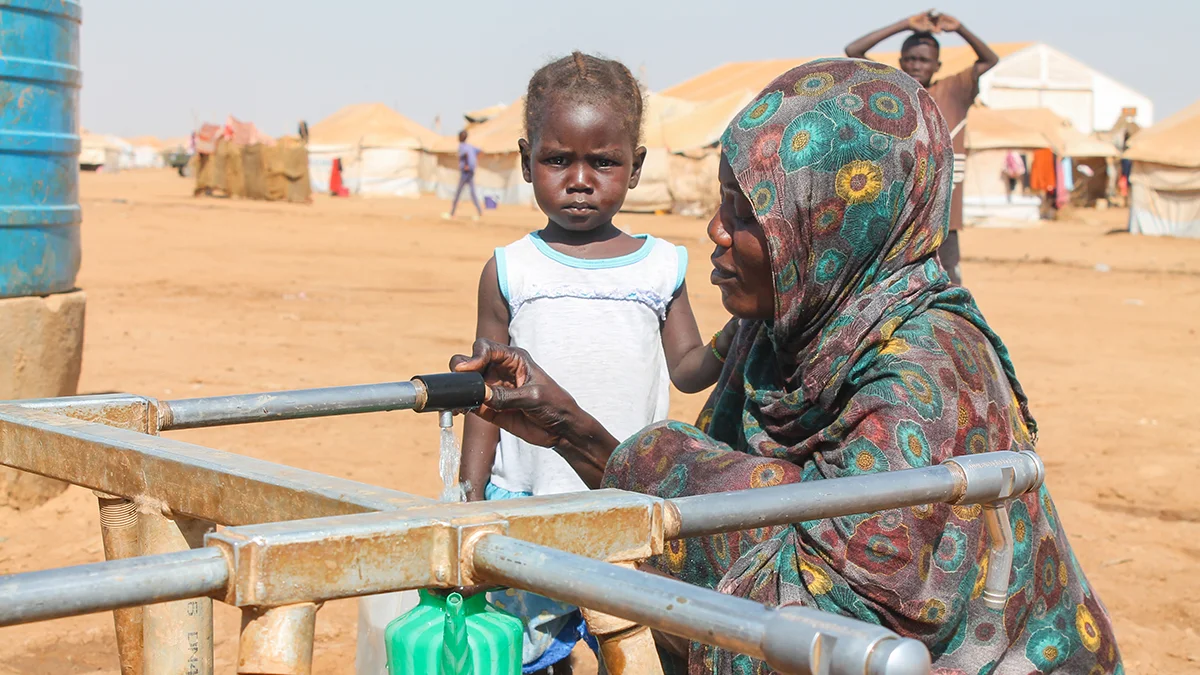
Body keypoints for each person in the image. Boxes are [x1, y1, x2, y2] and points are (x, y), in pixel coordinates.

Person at [450, 61, 1122, 674]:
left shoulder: (926, 375)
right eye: (723, 203)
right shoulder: (774, 335)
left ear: (829, 223)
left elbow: (826, 623)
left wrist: (633, 449)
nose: (716, 231)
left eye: (747, 214)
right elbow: (704, 524)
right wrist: (563, 425)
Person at [458, 51, 735, 674]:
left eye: (602, 162)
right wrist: (471, 491)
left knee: (635, 643)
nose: (579, 179)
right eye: (559, 160)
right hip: (528, 500)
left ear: (634, 167)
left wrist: (739, 331)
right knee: (532, 651)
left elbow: (687, 368)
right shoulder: (510, 268)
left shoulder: (662, 265)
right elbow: (484, 391)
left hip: (621, 494)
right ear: (529, 161)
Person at [846, 10, 1000, 285]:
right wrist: (904, 24)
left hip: (944, 214)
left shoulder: (955, 89)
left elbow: (990, 59)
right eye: (911, 59)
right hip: (899, 213)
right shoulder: (891, 89)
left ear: (937, 65)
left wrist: (960, 28)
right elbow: (853, 50)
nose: (917, 65)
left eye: (924, 60)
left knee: (948, 284)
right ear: (901, 62)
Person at [445, 129, 483, 220]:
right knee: (472, 192)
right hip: (471, 171)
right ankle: (479, 210)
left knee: (458, 192)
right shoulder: (470, 146)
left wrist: (466, 165)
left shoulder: (462, 146)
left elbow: (465, 154)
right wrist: (474, 163)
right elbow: (480, 151)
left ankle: (452, 212)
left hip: (466, 172)